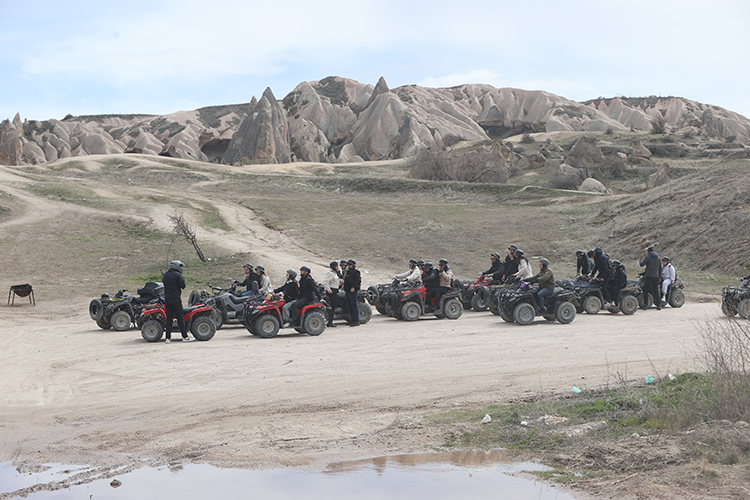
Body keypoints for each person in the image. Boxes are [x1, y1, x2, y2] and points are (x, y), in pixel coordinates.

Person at [162, 260, 194, 343]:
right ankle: (185, 337)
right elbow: (183, 286)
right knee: (180, 317)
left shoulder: (166, 275)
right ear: (176, 266)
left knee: (169, 318)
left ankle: (167, 338)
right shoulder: (177, 275)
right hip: (175, 298)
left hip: (167, 299)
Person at [639, 246, 663, 310]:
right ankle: (659, 304)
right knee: (656, 291)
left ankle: (645, 305)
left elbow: (641, 264)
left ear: (648, 251)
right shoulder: (658, 258)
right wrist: (659, 276)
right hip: (656, 276)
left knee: (646, 290)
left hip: (649, 276)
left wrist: (641, 258)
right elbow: (660, 268)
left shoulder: (648, 257)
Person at [323, 261, 342, 327]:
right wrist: (329, 290)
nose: (337, 267)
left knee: (334, 306)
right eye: (337, 266)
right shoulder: (330, 273)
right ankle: (330, 322)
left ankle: (330, 321)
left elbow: (334, 282)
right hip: (332, 292)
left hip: (335, 290)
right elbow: (325, 282)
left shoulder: (334, 273)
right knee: (332, 307)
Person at [344, 259, 362, 326]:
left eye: (350, 264)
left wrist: (354, 287)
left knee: (354, 305)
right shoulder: (348, 272)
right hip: (347, 290)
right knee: (350, 306)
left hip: (353, 291)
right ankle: (352, 319)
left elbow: (358, 281)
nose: (349, 266)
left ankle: (356, 320)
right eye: (348, 264)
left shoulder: (356, 272)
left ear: (353, 265)